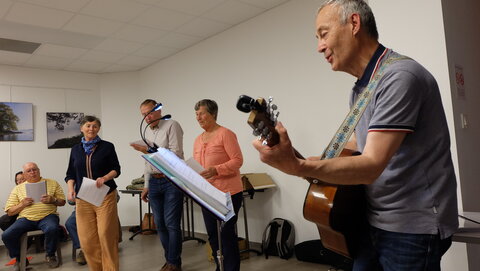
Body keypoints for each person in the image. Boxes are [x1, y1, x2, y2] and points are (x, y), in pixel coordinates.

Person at [253, 1, 458, 271]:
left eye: (323, 34)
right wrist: (304, 162)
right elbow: (353, 149)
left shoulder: (399, 77)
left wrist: (299, 166)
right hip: (373, 219)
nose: (319, 47)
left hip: (412, 226)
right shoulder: (360, 89)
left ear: (354, 24)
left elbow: (371, 164)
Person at [130, 99, 184, 271]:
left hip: (171, 179)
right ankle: (170, 260)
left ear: (159, 111)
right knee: (159, 224)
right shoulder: (147, 133)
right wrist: (146, 185)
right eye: (144, 114)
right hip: (154, 180)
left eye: (150, 112)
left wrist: (151, 150)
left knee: (171, 223)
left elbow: (175, 154)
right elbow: (148, 162)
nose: (147, 117)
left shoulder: (172, 125)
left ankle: (173, 263)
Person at [65, 115, 121, 271]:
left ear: (99, 129)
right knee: (87, 240)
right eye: (88, 125)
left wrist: (105, 177)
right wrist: (70, 190)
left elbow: (116, 169)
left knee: (105, 235)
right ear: (82, 128)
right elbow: (70, 174)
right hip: (83, 198)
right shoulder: (75, 149)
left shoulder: (107, 146)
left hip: (105, 195)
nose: (91, 128)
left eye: (95, 126)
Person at [193, 99, 244, 271]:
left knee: (226, 235)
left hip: (228, 193)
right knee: (213, 236)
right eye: (196, 114)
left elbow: (238, 161)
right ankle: (220, 266)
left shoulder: (226, 134)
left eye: (201, 113)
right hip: (206, 194)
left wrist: (217, 170)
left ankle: (230, 269)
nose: (198, 117)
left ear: (213, 114)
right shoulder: (198, 140)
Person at [2, 162, 66, 269]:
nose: (32, 172)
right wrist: (22, 204)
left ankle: (50, 255)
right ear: (24, 174)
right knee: (7, 235)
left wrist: (53, 200)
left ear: (39, 170)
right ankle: (20, 259)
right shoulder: (18, 188)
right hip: (25, 219)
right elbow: (9, 211)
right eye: (29, 171)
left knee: (52, 228)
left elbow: (63, 202)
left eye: (34, 169)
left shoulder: (52, 183)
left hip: (48, 216)